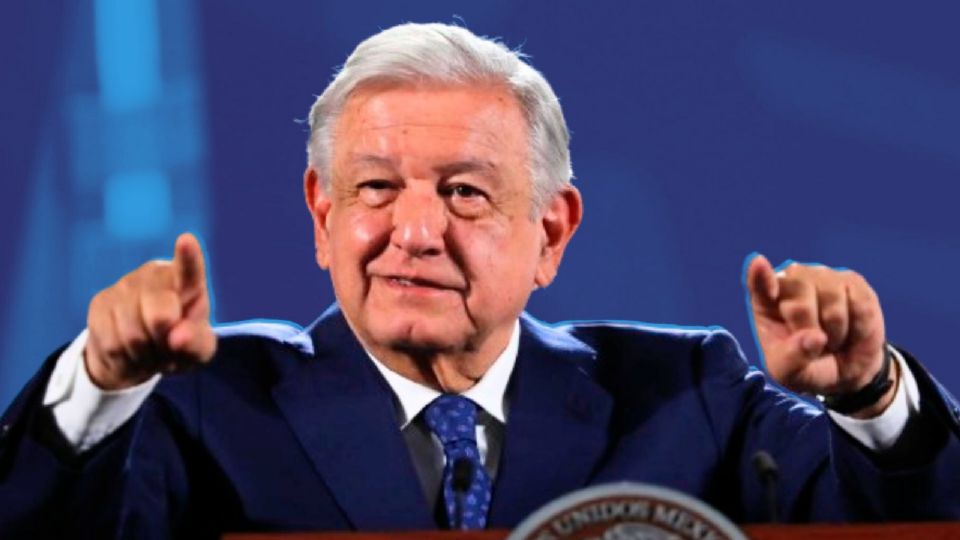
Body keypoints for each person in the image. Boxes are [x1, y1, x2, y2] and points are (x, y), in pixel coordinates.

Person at [1, 22, 958, 538]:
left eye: (464, 193)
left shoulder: (688, 397)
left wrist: (871, 398)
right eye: (375, 188)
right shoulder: (203, 405)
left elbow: (911, 525)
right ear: (322, 213)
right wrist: (98, 386)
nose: (414, 231)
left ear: (552, 230)